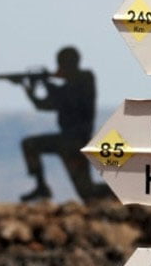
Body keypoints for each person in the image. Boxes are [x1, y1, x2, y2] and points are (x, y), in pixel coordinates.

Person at [19, 46, 99, 203]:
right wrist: (30, 92)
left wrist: (46, 83)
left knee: (88, 193)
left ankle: (124, 196)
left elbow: (64, 96)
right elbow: (46, 105)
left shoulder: (85, 80)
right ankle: (41, 187)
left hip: (75, 142)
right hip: (68, 142)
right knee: (87, 192)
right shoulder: (72, 84)